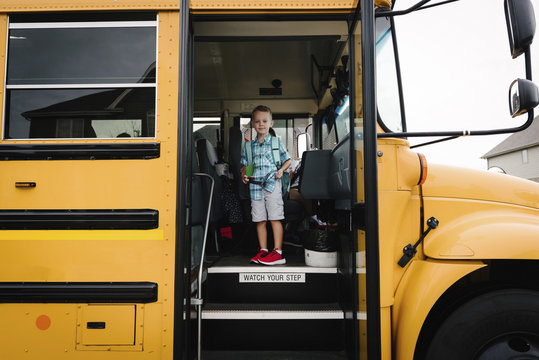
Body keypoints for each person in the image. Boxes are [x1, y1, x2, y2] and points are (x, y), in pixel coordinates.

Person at [241, 105, 291, 265]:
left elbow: (288, 159)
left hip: (272, 185)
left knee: (275, 218)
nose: (261, 124)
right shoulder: (249, 146)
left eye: (264, 121)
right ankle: (263, 250)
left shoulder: (276, 142)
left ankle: (278, 252)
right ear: (253, 124)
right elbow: (247, 164)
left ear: (271, 123)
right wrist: (245, 175)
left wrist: (282, 170)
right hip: (255, 187)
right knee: (259, 220)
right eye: (257, 121)